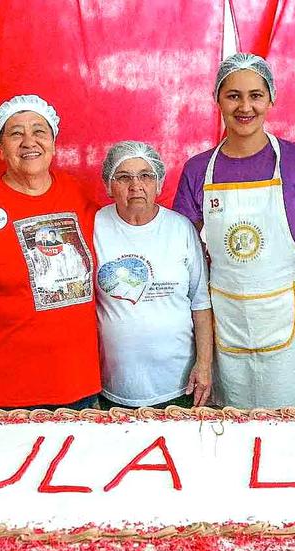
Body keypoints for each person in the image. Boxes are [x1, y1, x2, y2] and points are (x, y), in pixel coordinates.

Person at [173, 53, 295, 410]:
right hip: (227, 312)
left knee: (290, 418)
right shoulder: (199, 169)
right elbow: (181, 244)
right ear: (218, 100)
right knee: (234, 423)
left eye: (256, 95)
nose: (245, 106)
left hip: (289, 307)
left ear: (271, 99)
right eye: (233, 95)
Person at [0, 94, 100, 410]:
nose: (29, 141)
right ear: (0, 148)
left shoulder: (78, 193)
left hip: (78, 377)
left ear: (53, 142)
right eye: (15, 133)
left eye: (39, 131)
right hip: (9, 385)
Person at [93, 142, 213, 409]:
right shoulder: (95, 225)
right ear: (108, 185)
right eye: (123, 177)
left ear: (158, 183)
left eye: (146, 175)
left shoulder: (181, 228)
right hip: (113, 384)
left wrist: (204, 364)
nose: (136, 185)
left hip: (179, 384)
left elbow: (201, 303)